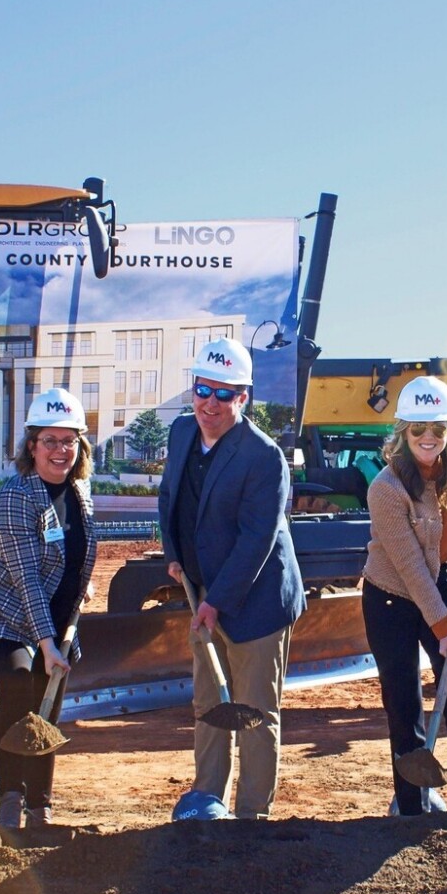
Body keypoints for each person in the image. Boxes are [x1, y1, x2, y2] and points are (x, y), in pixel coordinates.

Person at [158, 336, 305, 820]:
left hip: (257, 600)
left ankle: (250, 817)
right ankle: (206, 801)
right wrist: (176, 555)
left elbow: (255, 541)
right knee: (210, 701)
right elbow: (170, 499)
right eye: (204, 389)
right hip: (205, 592)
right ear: (193, 388)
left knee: (254, 710)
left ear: (243, 398)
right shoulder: (182, 433)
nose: (211, 403)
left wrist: (216, 601)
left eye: (225, 394)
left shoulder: (263, 457)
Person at [0, 388, 100, 828]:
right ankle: (10, 797)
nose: (60, 451)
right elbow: (25, 579)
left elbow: (75, 553)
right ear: (31, 446)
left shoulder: (80, 493)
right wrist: (45, 643)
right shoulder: (14, 498)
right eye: (50, 441)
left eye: (69, 441)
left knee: (49, 706)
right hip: (5, 617)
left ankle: (39, 804)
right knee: (21, 685)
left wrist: (82, 586)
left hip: (58, 623)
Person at [362, 375, 447, 815]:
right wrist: (442, 628)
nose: (429, 437)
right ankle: (411, 803)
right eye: (419, 429)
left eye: (438, 428)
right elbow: (411, 567)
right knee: (404, 699)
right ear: (403, 433)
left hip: (440, 586)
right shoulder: (385, 488)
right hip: (392, 598)